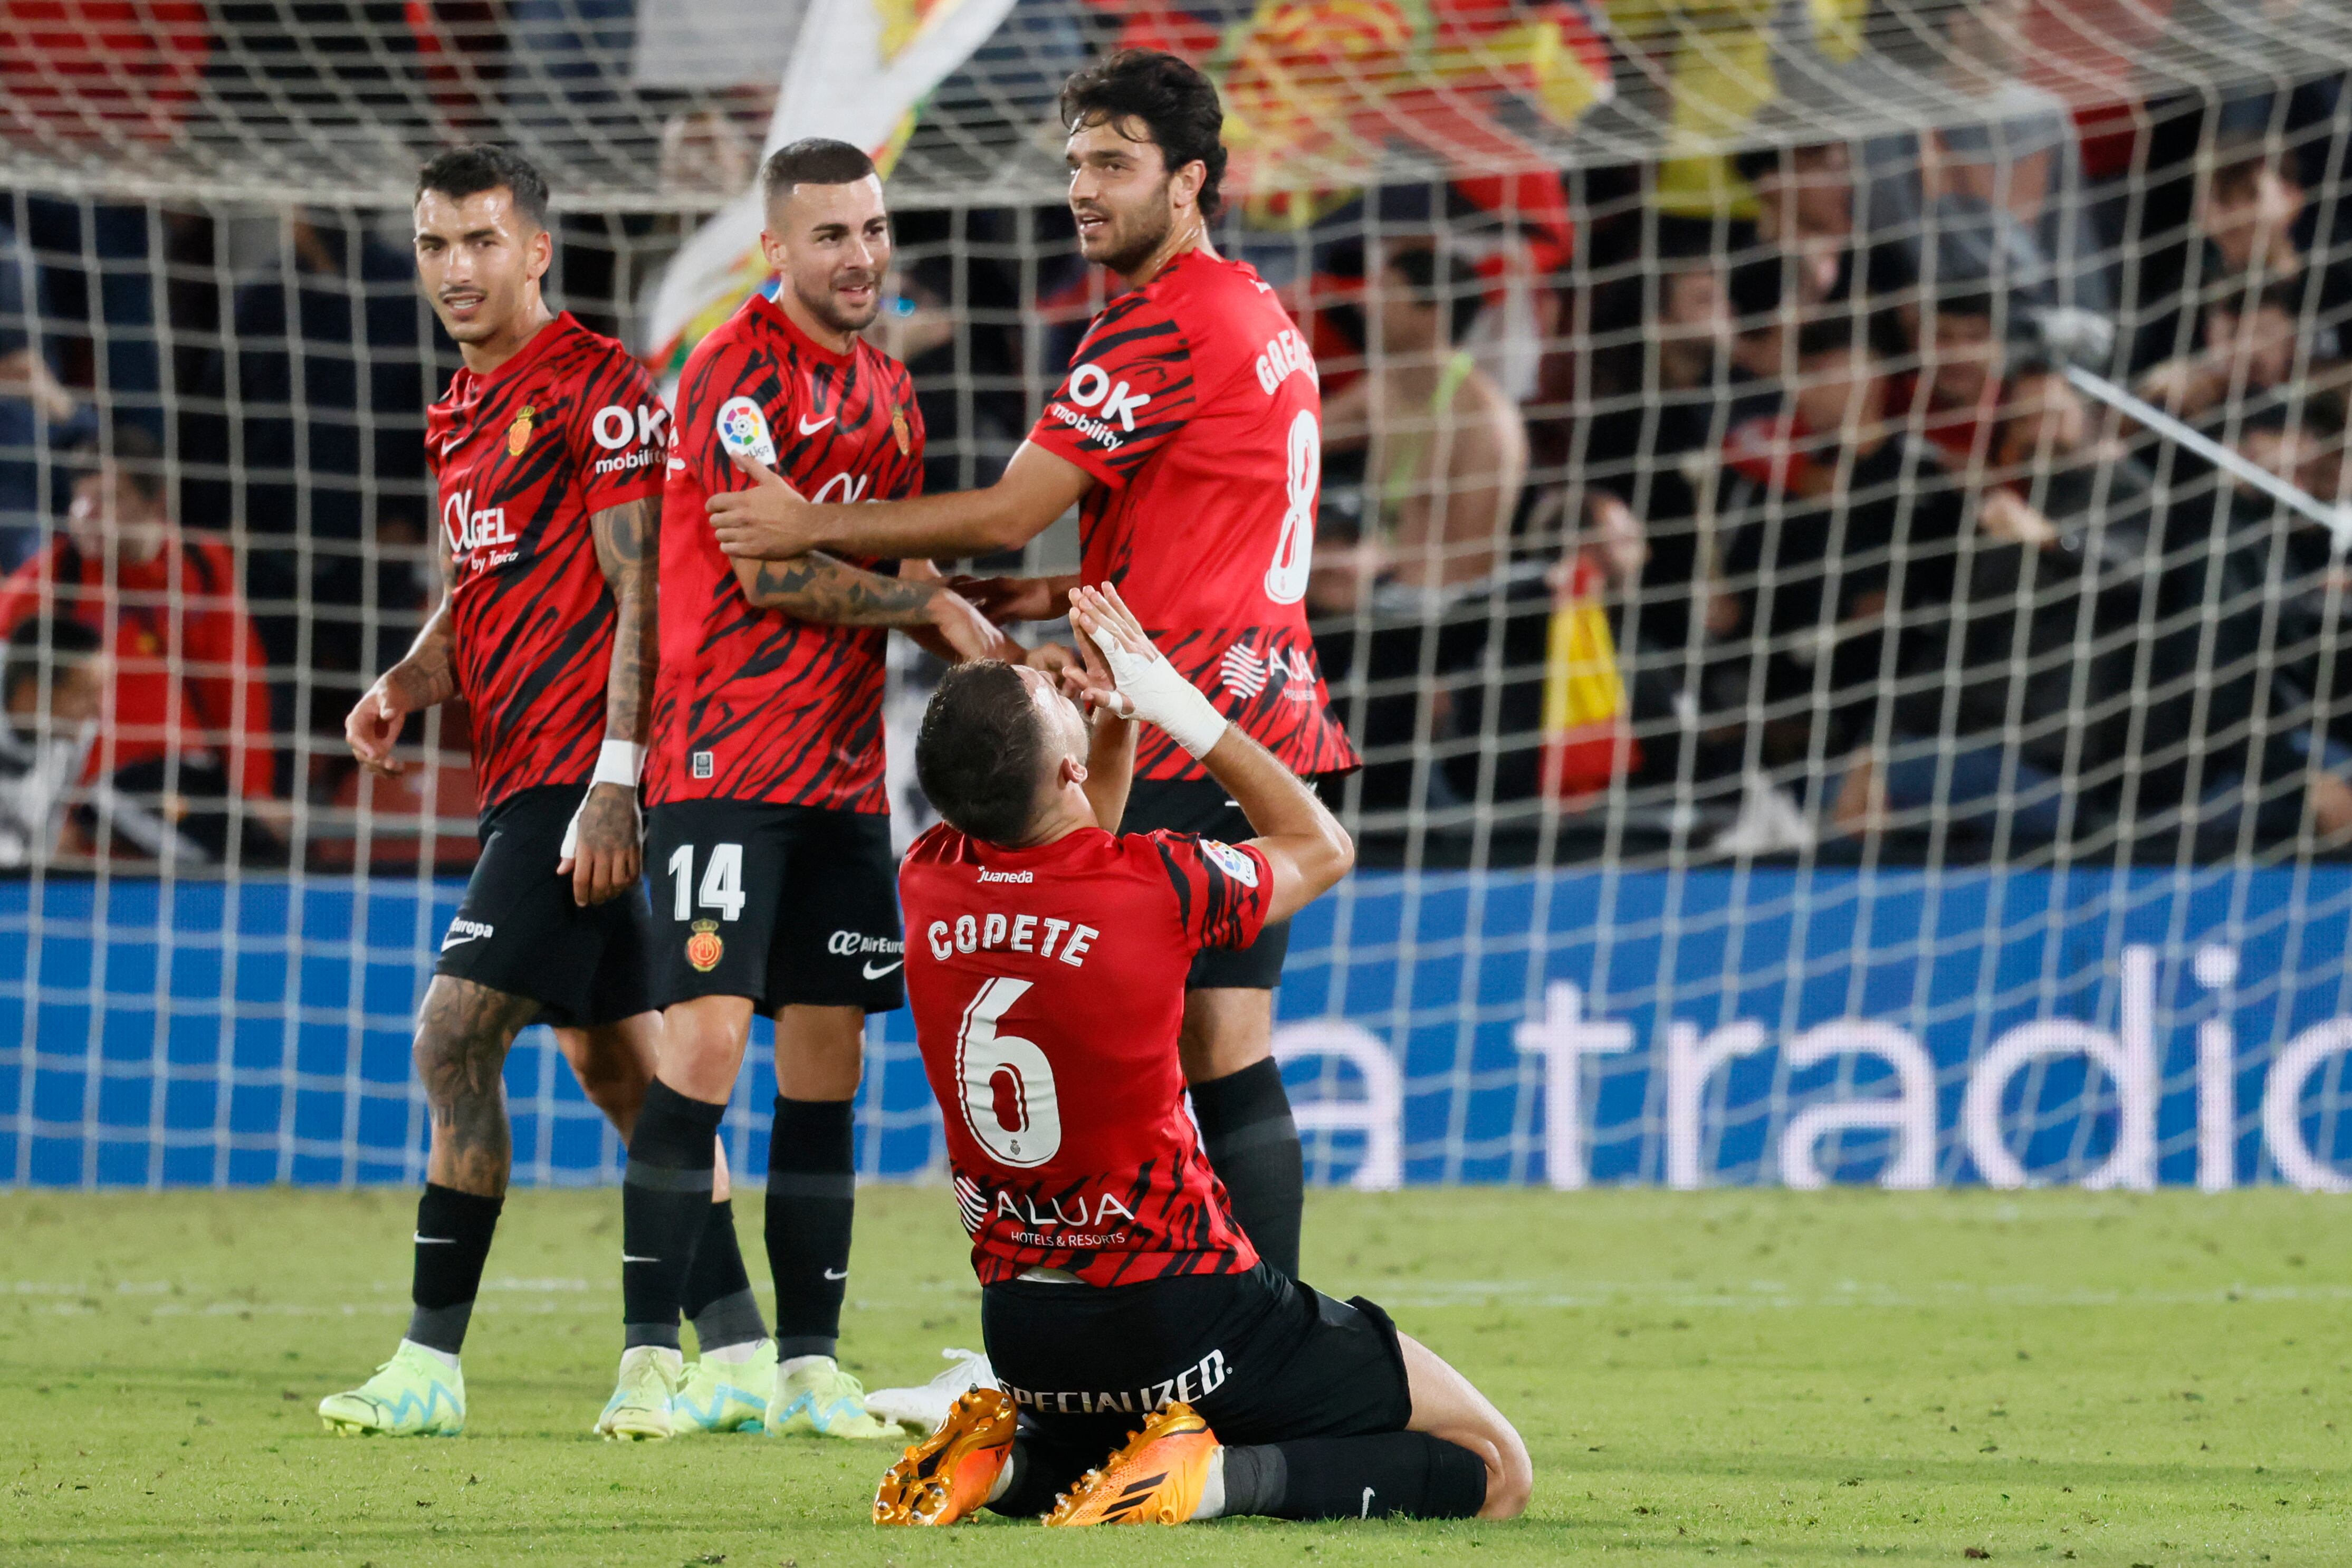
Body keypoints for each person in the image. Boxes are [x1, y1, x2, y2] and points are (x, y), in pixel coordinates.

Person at [702, 52, 1360, 1292]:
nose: (1082, 187)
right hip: (1267, 704)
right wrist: (1062, 596)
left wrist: (810, 526)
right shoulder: (1255, 312)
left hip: (1172, 715)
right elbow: (1211, 520)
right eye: (1074, 163)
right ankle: (1252, 1325)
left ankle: (1111, 1304)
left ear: (1190, 182)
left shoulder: (1160, 326)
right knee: (1225, 1042)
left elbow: (1009, 508)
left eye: (1113, 163)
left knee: (1090, 1020)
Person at [872, 583, 1529, 1527]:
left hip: (1024, 1335)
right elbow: (1321, 844)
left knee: (1085, 1446)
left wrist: (1109, 725)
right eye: (1053, 694)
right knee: (1493, 1464)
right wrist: (1173, 700)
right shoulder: (1154, 885)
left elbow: (1067, 843)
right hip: (1179, 1308)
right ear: (1059, 770)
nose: (1064, 683)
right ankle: (1209, 1481)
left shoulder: (931, 875)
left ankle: (1009, 1469)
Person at [317, 145, 741, 1439]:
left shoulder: (600, 389)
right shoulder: (457, 407)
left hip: (586, 777)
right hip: (523, 772)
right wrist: (405, 676)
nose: (456, 267)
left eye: (481, 242)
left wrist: (615, 782)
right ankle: (735, 1353)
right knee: (622, 1073)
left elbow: (642, 589)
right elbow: (485, 591)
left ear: (535, 249)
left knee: (452, 1035)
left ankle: (429, 1366)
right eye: (435, 244)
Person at [597, 136, 1008, 1442]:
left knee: (826, 1064)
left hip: (840, 777)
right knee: (706, 1042)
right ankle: (648, 1360)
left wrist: (978, 611)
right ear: (772, 248)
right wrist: (925, 602)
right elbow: (769, 570)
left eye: (872, 229)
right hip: (721, 759)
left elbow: (875, 567)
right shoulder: (728, 372)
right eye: (829, 233)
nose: (858, 255)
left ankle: (805, 1366)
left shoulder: (892, 393)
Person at [0, 424, 280, 865]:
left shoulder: (200, 565)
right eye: (79, 499)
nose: (84, 513)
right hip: (92, 791)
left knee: (255, 859)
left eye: (106, 500)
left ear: (154, 503)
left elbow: (236, 683)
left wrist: (253, 790)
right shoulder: (57, 574)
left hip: (184, 778)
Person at [0, 614, 102, 866]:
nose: (98, 711)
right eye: (84, 694)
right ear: (32, 694)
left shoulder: (76, 739)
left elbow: (47, 835)